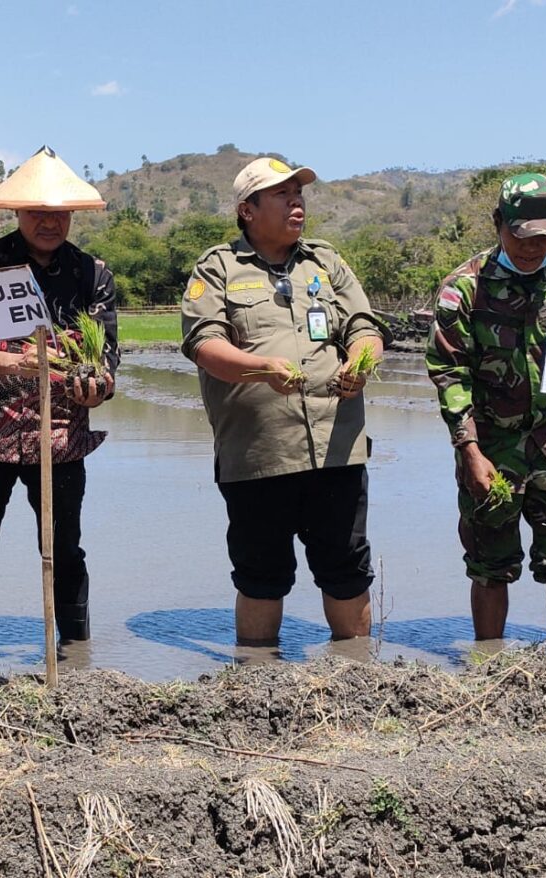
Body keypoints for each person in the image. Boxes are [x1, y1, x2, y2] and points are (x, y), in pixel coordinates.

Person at [181, 156, 388, 647]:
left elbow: (365, 327)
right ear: (247, 210)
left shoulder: (326, 261)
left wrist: (361, 360)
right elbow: (203, 343)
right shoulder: (218, 268)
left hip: (336, 447)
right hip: (259, 455)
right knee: (260, 573)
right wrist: (263, 369)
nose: (296, 202)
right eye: (281, 194)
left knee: (347, 567)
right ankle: (257, 686)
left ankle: (357, 682)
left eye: (299, 194)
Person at [0, 146, 118, 653]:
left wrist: (94, 387)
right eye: (37, 211)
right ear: (18, 212)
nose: (48, 222)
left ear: (71, 215)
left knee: (64, 550)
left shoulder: (91, 275)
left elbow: (107, 363)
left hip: (60, 436)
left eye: (58, 212)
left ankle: (76, 657)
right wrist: (16, 364)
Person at [425, 172, 546, 647]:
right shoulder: (464, 289)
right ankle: (488, 666)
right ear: (499, 224)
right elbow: (450, 374)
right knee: (490, 563)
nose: (533, 247)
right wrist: (470, 451)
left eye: (545, 238)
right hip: (489, 442)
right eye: (522, 236)